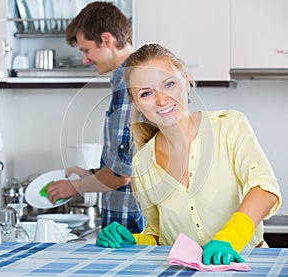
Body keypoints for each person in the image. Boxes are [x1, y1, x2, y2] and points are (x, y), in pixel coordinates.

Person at [95, 43, 282, 265]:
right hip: (185, 270)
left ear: (186, 81)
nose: (162, 100)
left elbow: (264, 190)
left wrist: (231, 237)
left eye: (169, 84)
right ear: (136, 103)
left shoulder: (229, 125)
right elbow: (157, 234)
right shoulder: (141, 162)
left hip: (247, 264)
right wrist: (134, 241)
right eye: (146, 93)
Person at [46, 2, 144, 233]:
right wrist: (92, 174)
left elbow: (122, 176)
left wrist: (75, 187)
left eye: (86, 50)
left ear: (107, 40)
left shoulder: (128, 82)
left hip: (130, 226)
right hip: (130, 222)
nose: (85, 60)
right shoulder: (135, 75)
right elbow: (129, 162)